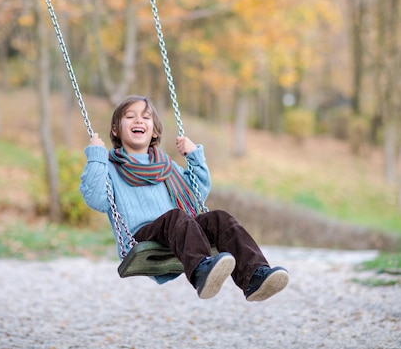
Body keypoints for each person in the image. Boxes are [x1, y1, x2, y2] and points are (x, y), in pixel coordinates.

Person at [80, 95, 289, 301]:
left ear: (154, 130)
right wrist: (96, 156)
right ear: (115, 129)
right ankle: (201, 271)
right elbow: (96, 198)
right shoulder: (109, 167)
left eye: (146, 117)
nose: (138, 121)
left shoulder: (166, 165)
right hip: (140, 235)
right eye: (129, 116)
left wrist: (194, 157)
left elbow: (196, 193)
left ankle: (255, 276)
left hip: (179, 228)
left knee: (219, 219)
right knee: (176, 217)